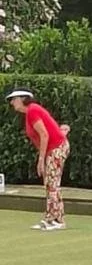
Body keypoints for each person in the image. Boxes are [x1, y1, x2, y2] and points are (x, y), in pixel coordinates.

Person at [5, 88, 71, 230]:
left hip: (56, 148)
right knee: (51, 183)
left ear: (23, 99)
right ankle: (54, 218)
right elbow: (49, 129)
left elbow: (44, 135)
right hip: (55, 148)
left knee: (52, 183)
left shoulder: (33, 110)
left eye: (14, 99)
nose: (12, 102)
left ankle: (55, 220)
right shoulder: (31, 112)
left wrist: (41, 159)